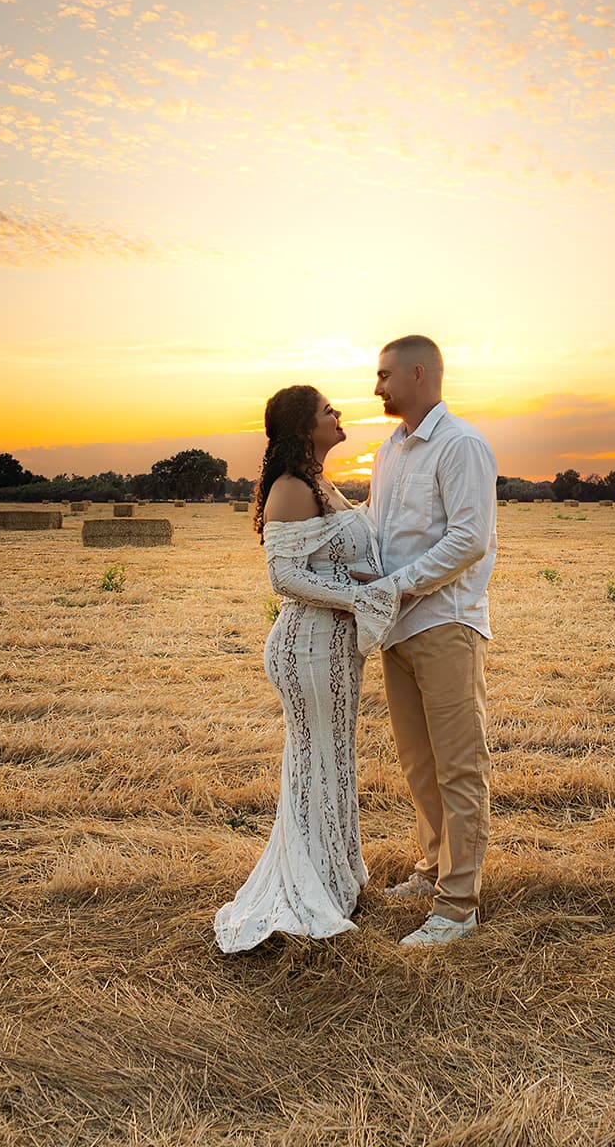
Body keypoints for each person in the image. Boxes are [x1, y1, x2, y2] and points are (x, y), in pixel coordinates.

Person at [214, 385, 401, 953]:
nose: (339, 414)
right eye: (327, 410)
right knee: (319, 757)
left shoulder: (322, 483)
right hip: (308, 647)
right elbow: (285, 579)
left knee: (333, 756)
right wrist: (360, 596)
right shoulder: (292, 489)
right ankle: (310, 883)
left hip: (334, 646)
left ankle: (338, 877)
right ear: (302, 428)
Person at [362, 335, 498, 947]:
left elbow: (470, 537)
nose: (378, 386)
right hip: (397, 626)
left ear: (420, 374)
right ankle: (432, 866)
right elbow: (378, 531)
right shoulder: (387, 451)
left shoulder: (461, 444)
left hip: (445, 621)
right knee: (418, 765)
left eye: (386, 374)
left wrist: (401, 585)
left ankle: (457, 905)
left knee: (458, 766)